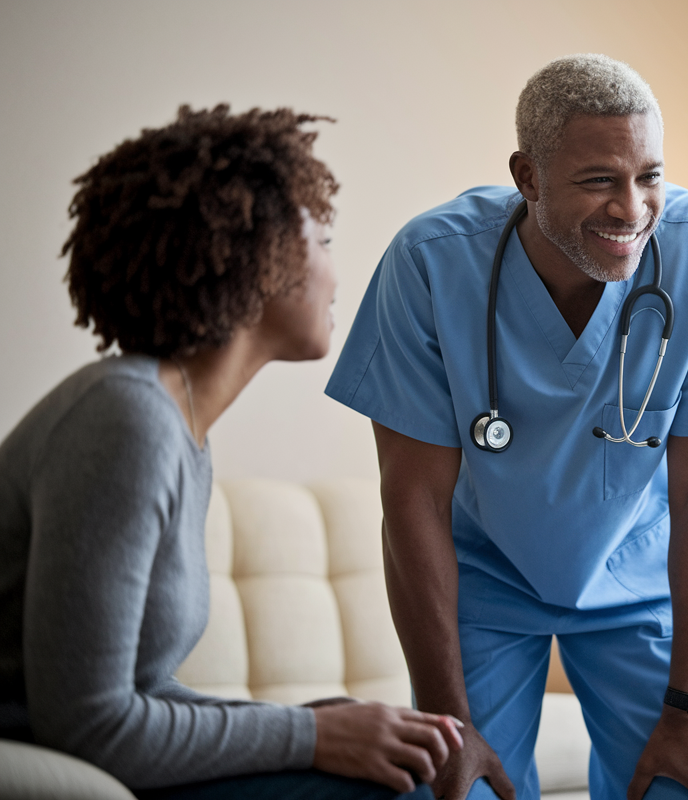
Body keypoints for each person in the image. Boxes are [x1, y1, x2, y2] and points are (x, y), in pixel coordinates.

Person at [325, 54, 688, 800]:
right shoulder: (430, 262)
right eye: (598, 180)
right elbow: (411, 501)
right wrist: (448, 717)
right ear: (527, 177)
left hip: (640, 578)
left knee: (684, 786)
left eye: (650, 175)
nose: (632, 208)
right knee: (457, 790)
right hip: (482, 577)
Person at [0, 105, 462, 799]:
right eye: (326, 241)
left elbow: (141, 690)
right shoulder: (125, 421)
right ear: (262, 255)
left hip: (87, 750)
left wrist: (312, 722)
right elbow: (90, 723)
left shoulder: (175, 423)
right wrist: (312, 736)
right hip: (54, 759)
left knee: (408, 765)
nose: (339, 276)